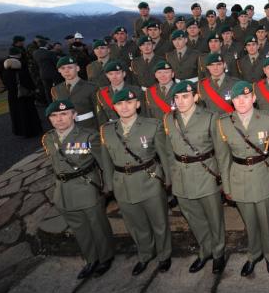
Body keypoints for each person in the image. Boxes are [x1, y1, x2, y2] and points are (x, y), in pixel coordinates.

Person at [100, 88, 173, 276]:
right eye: (119, 103)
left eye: (129, 102)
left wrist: (168, 179)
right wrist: (109, 184)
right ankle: (145, 254)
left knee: (159, 222)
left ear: (137, 104)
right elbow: (106, 161)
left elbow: (164, 155)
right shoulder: (106, 130)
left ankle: (164, 255)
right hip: (122, 184)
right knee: (135, 223)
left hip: (149, 180)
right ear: (114, 107)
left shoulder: (152, 125)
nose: (124, 107)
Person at [214, 81, 269, 277]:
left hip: (264, 175)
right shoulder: (223, 123)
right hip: (239, 177)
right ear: (231, 101)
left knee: (266, 221)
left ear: (253, 98)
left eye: (245, 97)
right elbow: (223, 158)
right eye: (237, 98)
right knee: (249, 222)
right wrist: (226, 186)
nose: (241, 101)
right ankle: (253, 255)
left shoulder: (267, 119)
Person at [42, 99, 114, 279]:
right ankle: (91, 259)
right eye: (54, 116)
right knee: (79, 229)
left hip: (86, 187)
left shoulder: (89, 136)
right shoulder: (48, 138)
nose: (59, 119)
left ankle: (106, 257)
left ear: (74, 115)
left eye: (64, 114)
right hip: (63, 192)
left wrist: (108, 186)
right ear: (50, 119)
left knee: (97, 225)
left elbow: (104, 163)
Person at [164, 81, 226, 274]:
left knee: (214, 217)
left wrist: (223, 179)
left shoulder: (210, 117)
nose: (181, 102)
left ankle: (218, 253)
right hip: (181, 176)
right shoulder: (168, 118)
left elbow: (222, 151)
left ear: (195, 97)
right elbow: (168, 150)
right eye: (177, 98)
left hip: (205, 173)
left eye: (185, 96)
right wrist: (171, 176)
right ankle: (205, 249)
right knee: (193, 217)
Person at [0, 47, 43, 137]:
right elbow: (29, 82)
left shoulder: (5, 72)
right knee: (28, 113)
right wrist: (35, 89)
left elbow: (4, 82)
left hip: (12, 95)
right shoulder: (21, 71)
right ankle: (32, 130)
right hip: (24, 95)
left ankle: (19, 131)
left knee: (16, 114)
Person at [51, 56, 99, 130]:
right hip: (67, 130)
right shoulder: (56, 90)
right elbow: (56, 112)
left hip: (89, 128)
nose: (66, 71)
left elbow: (99, 113)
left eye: (70, 67)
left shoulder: (91, 87)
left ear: (77, 68)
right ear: (59, 71)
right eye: (63, 68)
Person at [95, 61, 145, 125]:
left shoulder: (136, 91)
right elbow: (101, 116)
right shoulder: (101, 93)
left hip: (134, 126)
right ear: (107, 76)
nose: (114, 77)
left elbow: (143, 113)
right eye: (111, 74)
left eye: (117, 73)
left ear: (124, 74)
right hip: (113, 128)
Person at [32, 38, 60, 104]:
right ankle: (58, 102)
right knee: (57, 89)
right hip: (53, 74)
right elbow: (56, 63)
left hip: (43, 74)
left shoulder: (35, 53)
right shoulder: (50, 53)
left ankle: (50, 103)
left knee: (47, 90)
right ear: (46, 45)